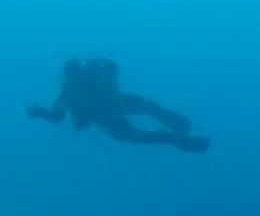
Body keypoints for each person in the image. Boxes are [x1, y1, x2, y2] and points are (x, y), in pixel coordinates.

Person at [27, 58, 209, 152]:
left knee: (140, 116)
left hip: (110, 108)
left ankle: (174, 134)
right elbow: (57, 116)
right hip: (108, 111)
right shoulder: (70, 92)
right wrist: (41, 113)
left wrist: (41, 113)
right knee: (136, 125)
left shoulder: (72, 89)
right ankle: (173, 136)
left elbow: (56, 117)